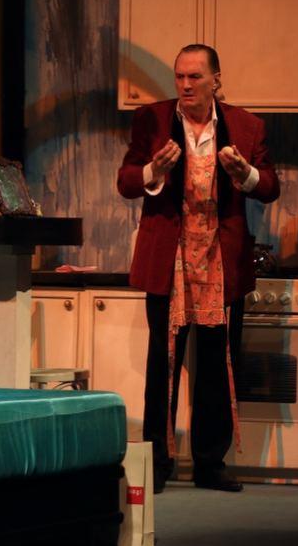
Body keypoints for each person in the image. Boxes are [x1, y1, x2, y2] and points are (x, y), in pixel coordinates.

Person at [117, 44, 279, 494]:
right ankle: (158, 462)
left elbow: (270, 186)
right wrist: (153, 169)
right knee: (162, 364)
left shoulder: (246, 126)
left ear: (215, 80)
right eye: (180, 77)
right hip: (169, 260)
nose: (185, 86)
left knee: (216, 364)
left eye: (195, 77)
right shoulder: (152, 120)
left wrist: (245, 174)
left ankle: (210, 464)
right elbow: (126, 181)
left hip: (220, 261)